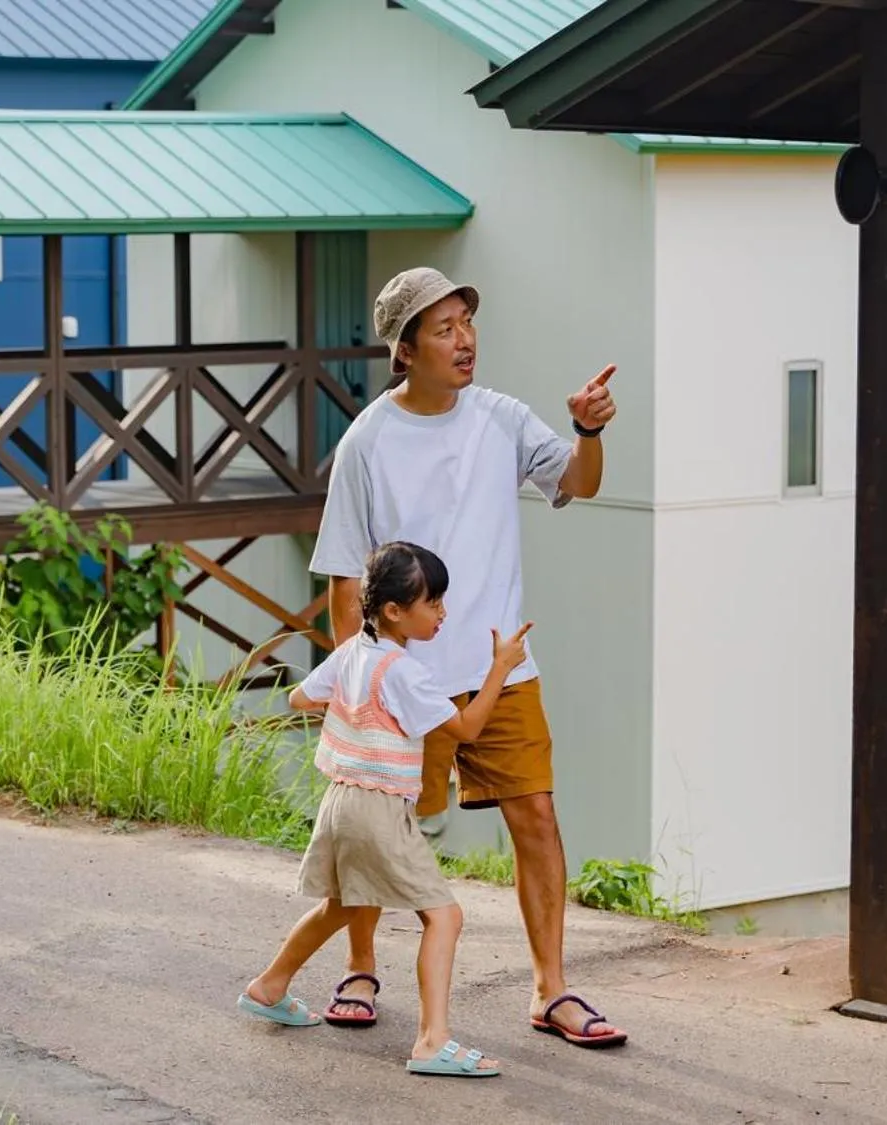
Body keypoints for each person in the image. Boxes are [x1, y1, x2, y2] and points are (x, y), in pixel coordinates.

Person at [305, 267, 627, 1049]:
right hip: (401, 680)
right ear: (404, 349)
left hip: (499, 669)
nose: (464, 339)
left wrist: (587, 430)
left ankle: (551, 989)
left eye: (465, 323)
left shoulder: (501, 418)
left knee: (538, 818)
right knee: (376, 832)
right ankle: (357, 966)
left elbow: (576, 483)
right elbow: (347, 576)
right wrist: (359, 681)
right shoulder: (366, 442)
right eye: (442, 327)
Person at [240, 542, 529, 1078]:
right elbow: (466, 729)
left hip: (340, 801)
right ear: (394, 611)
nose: (441, 613)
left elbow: (300, 700)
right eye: (433, 602)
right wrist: (500, 670)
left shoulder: (352, 654)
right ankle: (431, 1041)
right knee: (444, 915)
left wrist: (350, 708)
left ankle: (269, 986)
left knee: (341, 906)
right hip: (377, 808)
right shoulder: (403, 673)